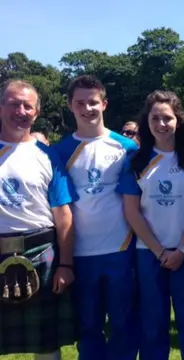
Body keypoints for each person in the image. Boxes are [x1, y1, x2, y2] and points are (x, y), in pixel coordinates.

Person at [117, 90, 184, 360]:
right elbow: (132, 212)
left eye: (167, 118)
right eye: (155, 118)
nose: (161, 124)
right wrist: (160, 251)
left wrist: (181, 249)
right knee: (153, 325)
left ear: (178, 121)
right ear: (147, 122)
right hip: (149, 254)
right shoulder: (136, 161)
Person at [53, 75, 139, 360]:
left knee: (123, 327)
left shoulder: (127, 148)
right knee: (89, 329)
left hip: (121, 250)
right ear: (70, 106)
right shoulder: (59, 152)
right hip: (80, 253)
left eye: (93, 102)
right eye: (80, 103)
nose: (87, 108)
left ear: (104, 103)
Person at [0, 80, 77, 360]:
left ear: (37, 112)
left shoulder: (48, 156)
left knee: (46, 345)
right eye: (13, 104)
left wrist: (66, 264)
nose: (20, 111)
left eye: (27, 106)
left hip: (41, 253)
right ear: (0, 107)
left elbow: (63, 215)